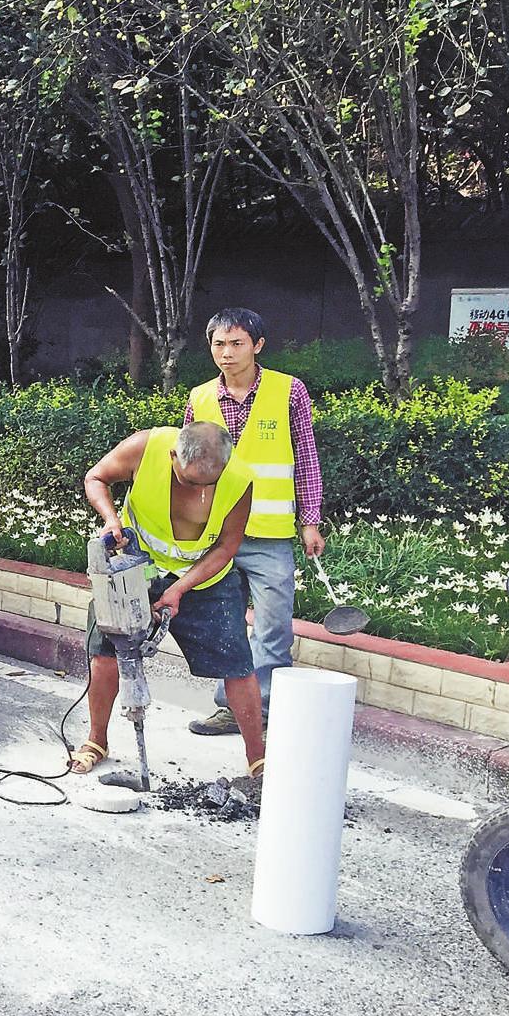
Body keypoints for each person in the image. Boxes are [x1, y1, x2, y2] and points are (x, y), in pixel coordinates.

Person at [76, 421, 267, 781]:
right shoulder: (145, 448)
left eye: (206, 484)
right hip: (138, 566)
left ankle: (258, 758)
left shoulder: (240, 478)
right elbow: (96, 478)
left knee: (238, 663)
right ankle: (96, 741)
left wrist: (179, 589)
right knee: (104, 652)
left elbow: (227, 546)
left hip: (203, 576)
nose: (197, 491)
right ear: (173, 456)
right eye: (189, 480)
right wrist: (110, 519)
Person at [183, 308, 326, 737]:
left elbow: (306, 458)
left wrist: (310, 521)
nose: (226, 353)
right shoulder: (200, 396)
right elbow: (188, 466)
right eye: (218, 344)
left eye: (236, 343)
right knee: (225, 622)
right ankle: (231, 708)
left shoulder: (289, 391)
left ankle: (265, 709)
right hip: (217, 532)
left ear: (257, 345)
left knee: (272, 625)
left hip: (270, 536)